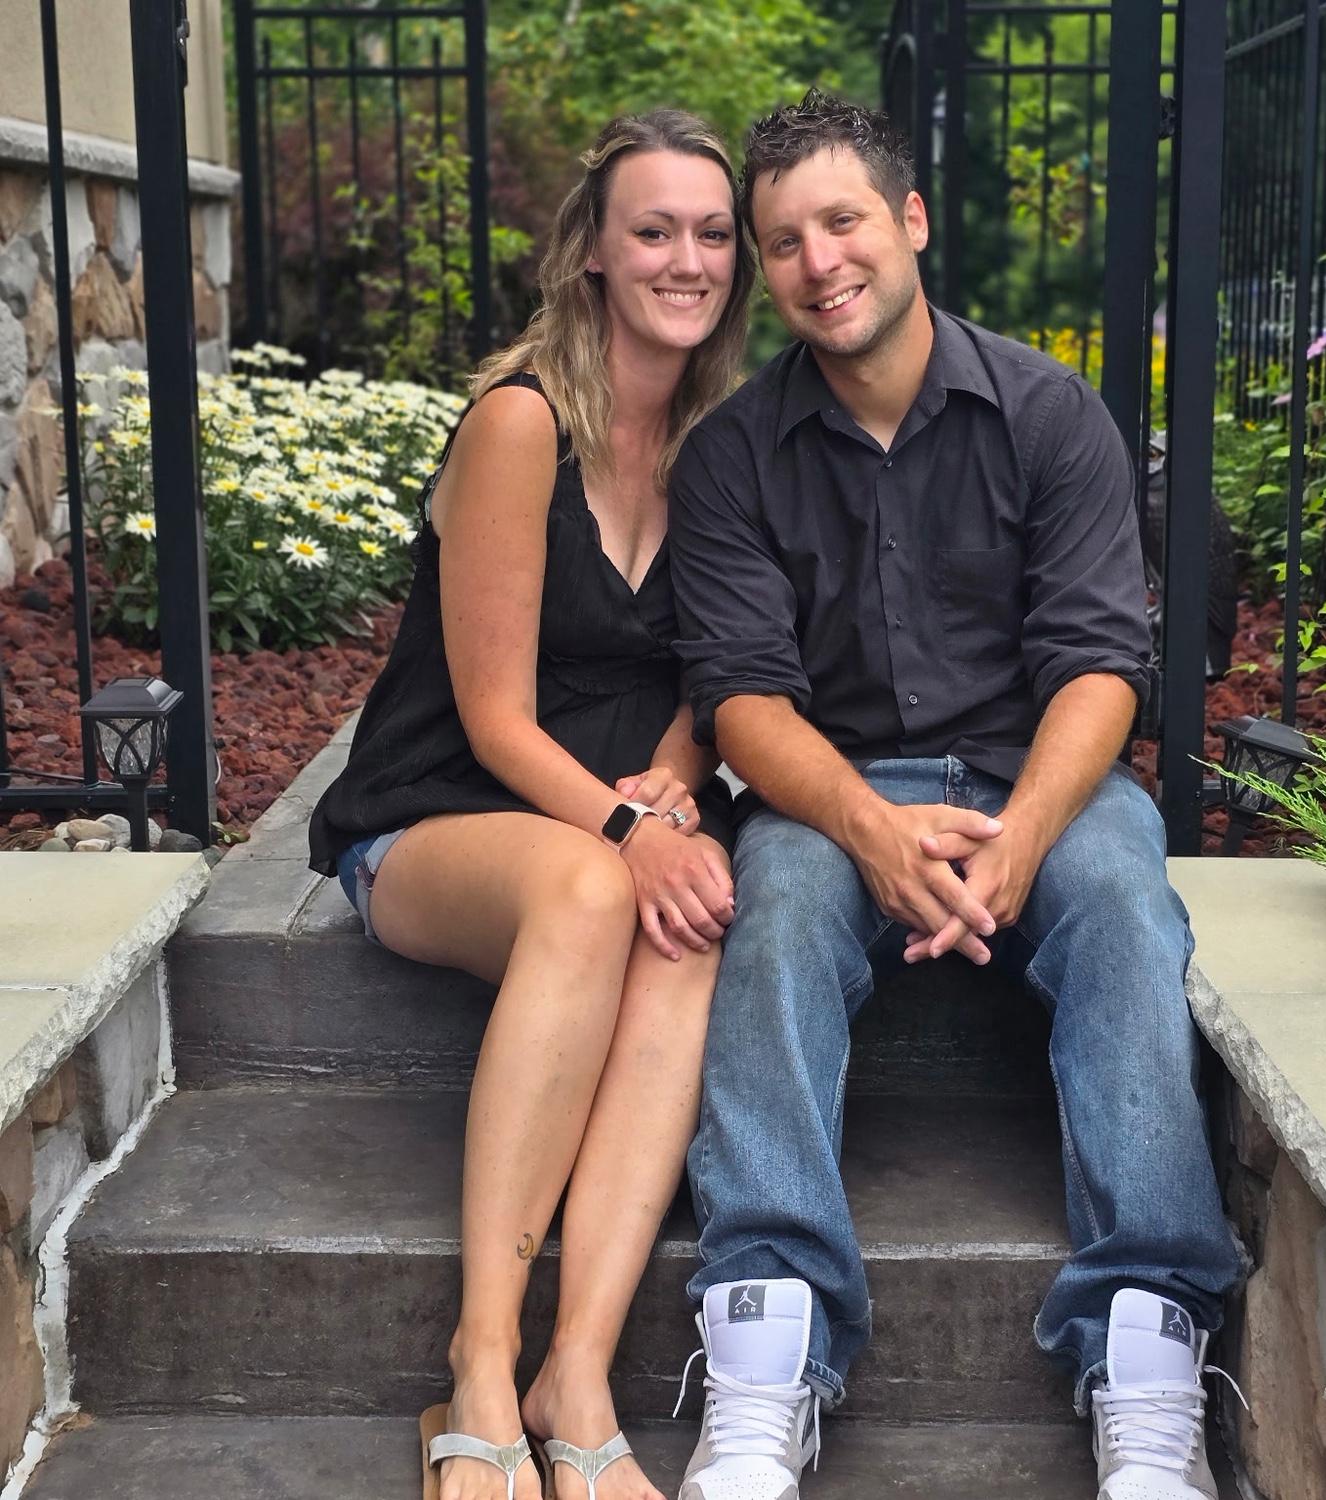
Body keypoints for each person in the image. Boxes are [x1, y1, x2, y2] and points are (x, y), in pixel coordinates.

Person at [666, 90, 1242, 1500]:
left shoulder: (1048, 415)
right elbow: (743, 701)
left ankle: (1145, 1352)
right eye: (783, 241)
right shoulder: (734, 454)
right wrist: (871, 829)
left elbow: (1101, 666)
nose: (820, 263)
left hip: (1037, 778)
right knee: (772, 916)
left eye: (843, 221)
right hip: (834, 790)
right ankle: (768, 1346)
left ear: (910, 221)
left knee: (1122, 903)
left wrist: (1023, 837)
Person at [307, 109, 755, 1500]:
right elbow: (494, 718)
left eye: (712, 234)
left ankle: (579, 1375)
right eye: (654, 230)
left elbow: (721, 664)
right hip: (440, 814)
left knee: (689, 924)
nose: (687, 259)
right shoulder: (519, 423)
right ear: (594, 254)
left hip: (616, 816)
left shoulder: (725, 443)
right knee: (593, 891)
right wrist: (629, 833)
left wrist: (676, 783)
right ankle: (484, 1364)